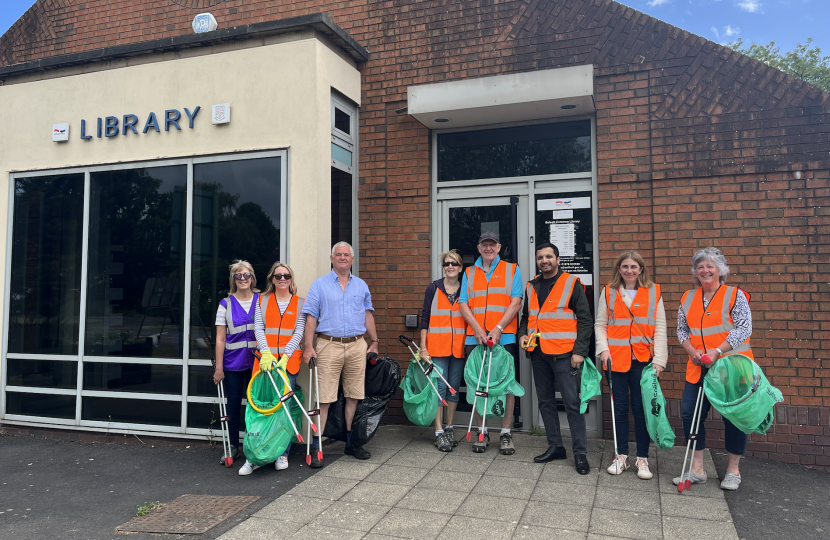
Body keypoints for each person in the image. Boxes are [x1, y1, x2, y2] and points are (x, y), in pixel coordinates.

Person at [674, 247, 752, 491]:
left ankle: (733, 470)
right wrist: (692, 351)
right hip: (699, 368)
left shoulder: (735, 295)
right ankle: (697, 470)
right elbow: (681, 331)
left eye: (710, 266)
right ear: (695, 272)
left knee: (734, 418)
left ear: (721, 270)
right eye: (700, 267)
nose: (705, 270)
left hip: (732, 368)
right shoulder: (687, 297)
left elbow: (743, 328)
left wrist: (717, 351)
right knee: (690, 414)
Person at [302, 241, 379, 467]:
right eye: (339, 255)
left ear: (352, 259)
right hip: (328, 344)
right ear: (332, 258)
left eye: (347, 255)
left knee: (354, 395)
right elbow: (311, 318)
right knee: (324, 398)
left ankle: (350, 442)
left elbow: (367, 314)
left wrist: (374, 342)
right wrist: (308, 346)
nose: (343, 258)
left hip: (357, 345)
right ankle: (317, 445)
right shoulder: (319, 285)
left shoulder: (361, 286)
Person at [518, 243, 593, 475]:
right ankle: (555, 446)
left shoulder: (572, 283)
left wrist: (580, 351)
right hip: (539, 354)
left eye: (548, 256)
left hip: (565, 354)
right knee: (546, 402)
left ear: (558, 259)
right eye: (540, 257)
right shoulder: (531, 286)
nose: (544, 261)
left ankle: (580, 453)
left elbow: (585, 319)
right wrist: (522, 335)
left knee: (572, 404)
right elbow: (526, 317)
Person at [594, 251, 667, 479]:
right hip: (615, 360)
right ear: (618, 269)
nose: (629, 270)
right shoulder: (608, 292)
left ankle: (642, 458)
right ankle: (621, 455)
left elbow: (661, 328)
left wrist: (659, 360)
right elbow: (600, 325)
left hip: (643, 360)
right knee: (619, 409)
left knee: (641, 409)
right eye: (624, 266)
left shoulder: (654, 292)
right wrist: (603, 350)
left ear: (641, 269)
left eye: (634, 267)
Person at [238, 262, 307, 476]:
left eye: (286, 275)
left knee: (283, 409)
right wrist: (266, 352)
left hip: (287, 364)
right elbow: (258, 327)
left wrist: (285, 356)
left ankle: (281, 453)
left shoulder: (300, 303)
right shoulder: (262, 300)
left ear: (291, 278)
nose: (282, 279)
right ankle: (253, 455)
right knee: (258, 408)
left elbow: (299, 332)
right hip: (264, 363)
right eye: (278, 276)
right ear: (272, 279)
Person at [459, 231, 523, 455]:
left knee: (507, 386)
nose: (488, 248)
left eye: (492, 244)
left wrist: (498, 328)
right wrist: (477, 328)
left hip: (504, 338)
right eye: (484, 245)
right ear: (478, 248)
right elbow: (463, 304)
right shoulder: (469, 272)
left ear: (499, 247)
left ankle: (505, 433)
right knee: (478, 385)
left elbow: (516, 302)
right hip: (474, 338)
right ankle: (482, 431)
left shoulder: (512, 269)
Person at [420, 250, 467, 452]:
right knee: (439, 390)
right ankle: (438, 432)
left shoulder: (465, 289)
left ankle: (449, 428)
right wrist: (423, 346)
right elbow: (425, 319)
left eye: (454, 264)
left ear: (460, 267)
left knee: (453, 389)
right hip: (437, 348)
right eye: (447, 263)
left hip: (458, 349)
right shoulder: (433, 288)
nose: (450, 267)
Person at [213, 260, 259, 465]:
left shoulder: (262, 300)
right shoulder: (225, 304)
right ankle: (233, 446)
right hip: (233, 364)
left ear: (252, 277)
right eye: (238, 275)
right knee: (233, 405)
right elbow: (220, 339)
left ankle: (254, 444)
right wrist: (219, 368)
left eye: (246, 275)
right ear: (233, 280)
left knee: (256, 404)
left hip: (257, 363)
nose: (242, 279)